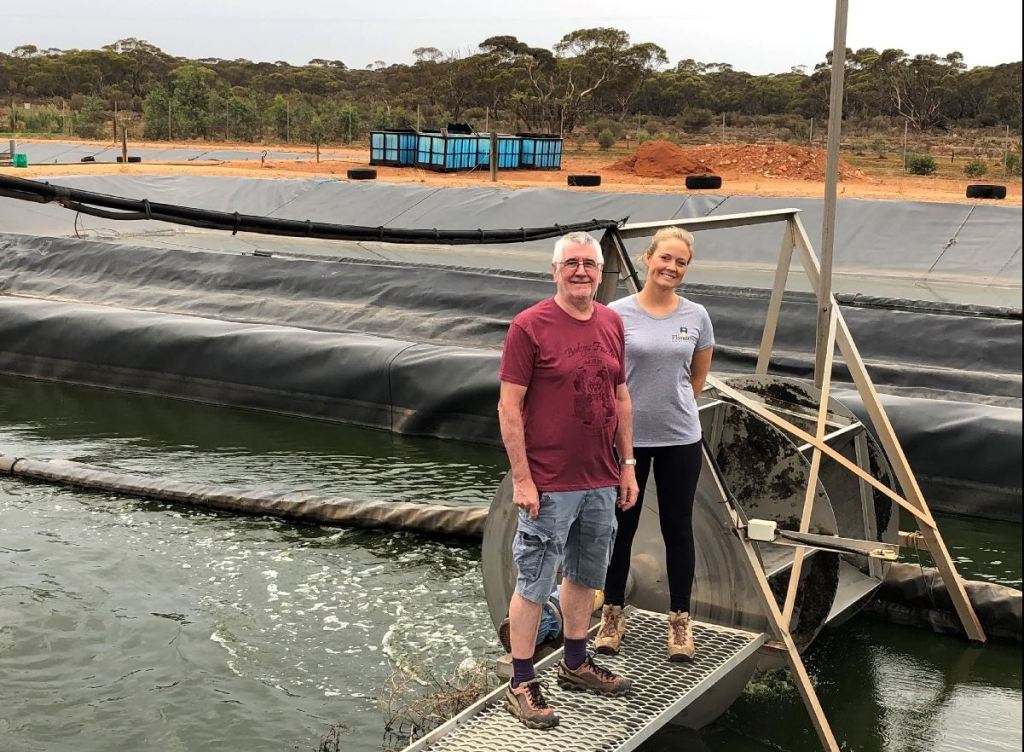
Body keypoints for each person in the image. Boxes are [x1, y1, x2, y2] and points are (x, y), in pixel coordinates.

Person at [497, 231, 640, 730]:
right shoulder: (529, 327)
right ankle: (521, 679)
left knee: (584, 575)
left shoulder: (611, 322)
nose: (581, 272)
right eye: (572, 263)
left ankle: (576, 663)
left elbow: (620, 397)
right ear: (555, 270)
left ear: (601, 273)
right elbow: (509, 407)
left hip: (601, 478)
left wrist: (627, 465)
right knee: (535, 581)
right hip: (549, 483)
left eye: (590, 264)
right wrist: (523, 479)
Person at [595, 226, 714, 663]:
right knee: (620, 527)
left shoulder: (696, 316)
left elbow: (696, 379)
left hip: (680, 438)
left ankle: (680, 622)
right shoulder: (616, 313)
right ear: (649, 258)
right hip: (627, 440)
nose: (672, 268)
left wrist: (671, 405)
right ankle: (612, 616)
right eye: (666, 258)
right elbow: (605, 375)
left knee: (677, 528)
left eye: (680, 262)